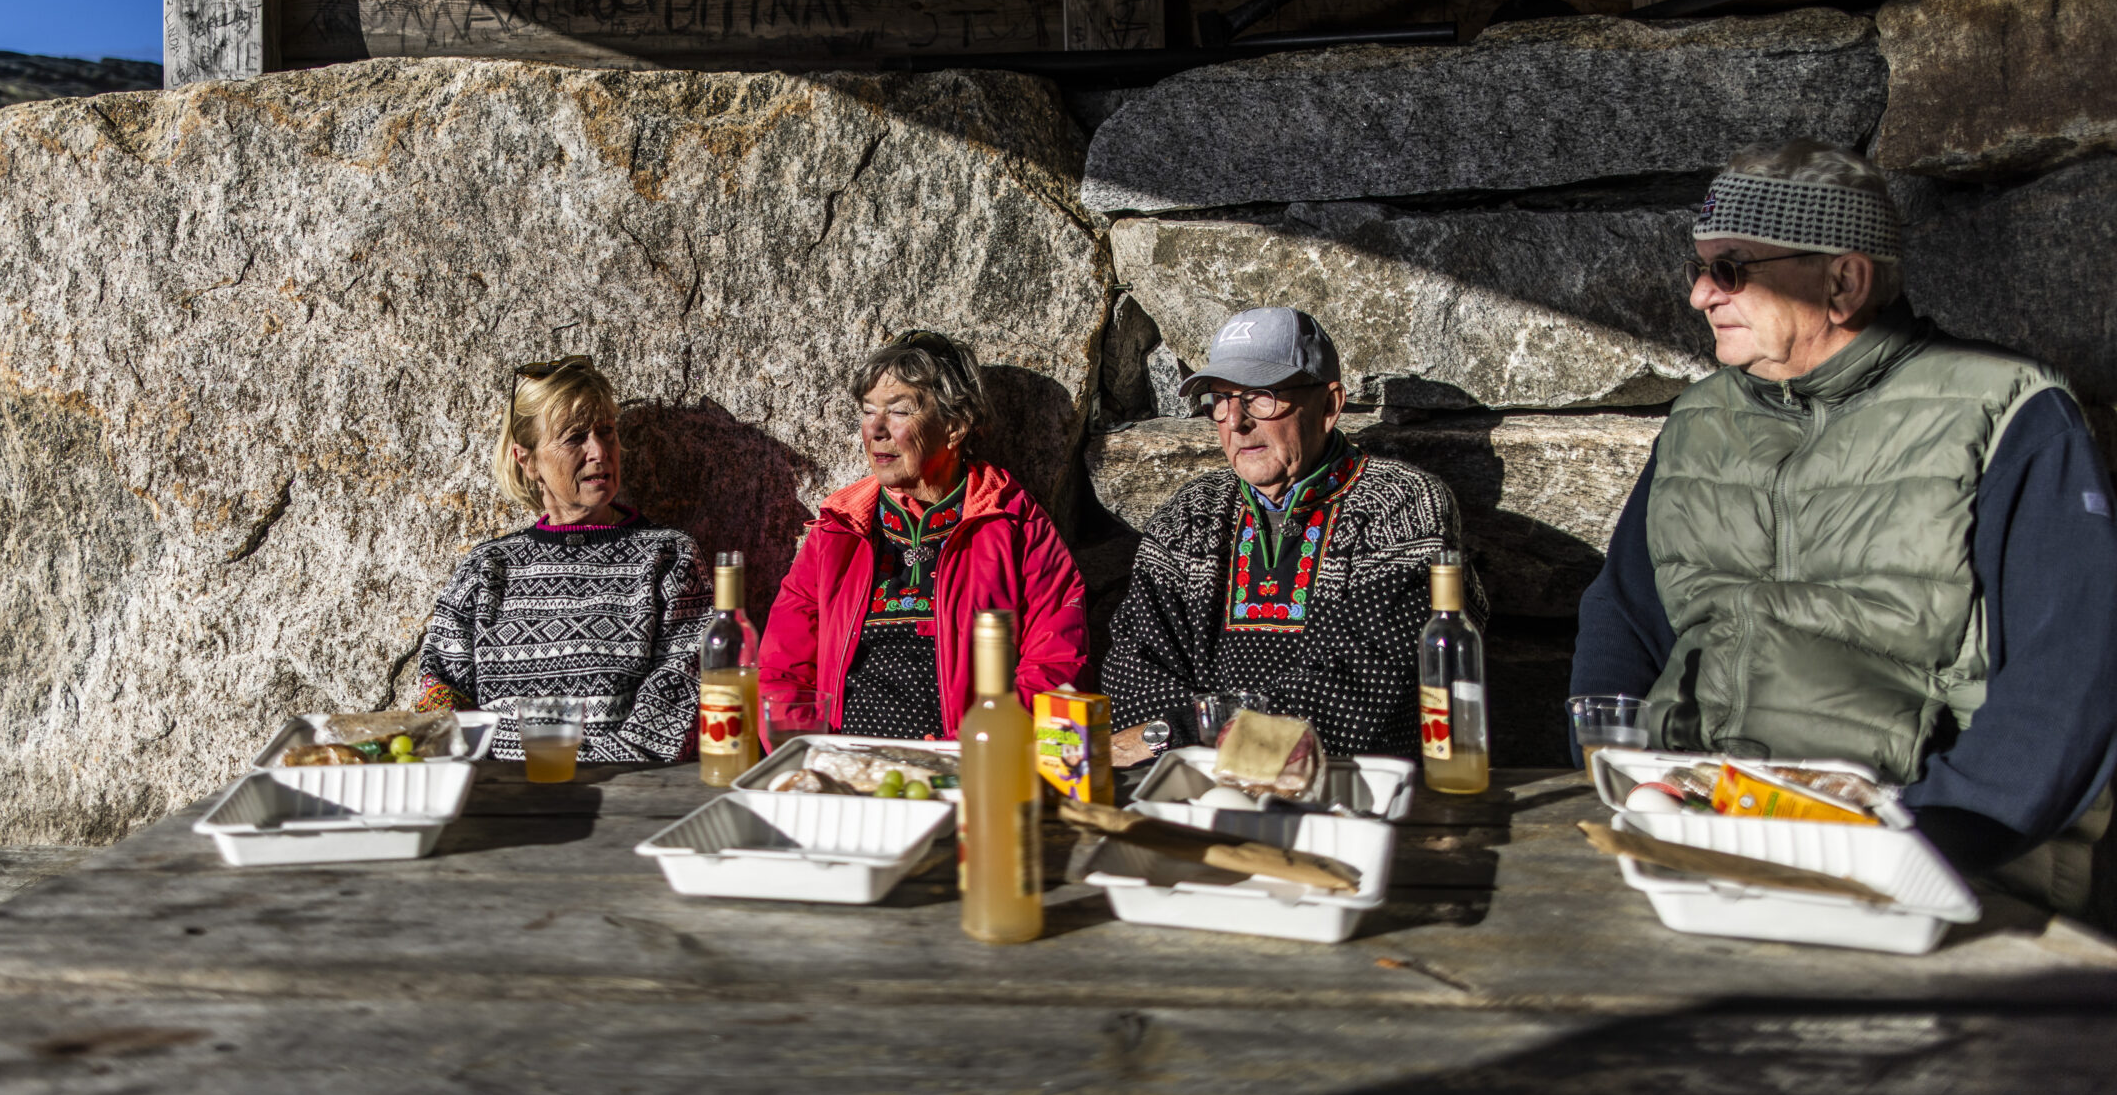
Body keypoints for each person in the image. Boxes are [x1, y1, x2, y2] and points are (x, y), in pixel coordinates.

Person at [1571, 139, 2117, 917]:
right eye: (1698, 267)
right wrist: (1622, 770)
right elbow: (1622, 612)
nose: (1699, 294)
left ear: (1843, 281)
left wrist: (1931, 838)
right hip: (1700, 824)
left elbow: (2074, 668)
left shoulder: (2009, 413)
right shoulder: (1699, 422)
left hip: (1922, 844)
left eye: (1730, 268)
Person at [1104, 306, 1472, 764]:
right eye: (1221, 398)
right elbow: (1130, 675)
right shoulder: (1191, 514)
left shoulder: (1400, 504)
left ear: (1329, 406)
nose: (1236, 421)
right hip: (1196, 792)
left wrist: (1180, 732)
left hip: (1348, 794)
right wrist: (1214, 742)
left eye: (1261, 396)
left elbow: (1364, 696)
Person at [760, 331, 1088, 737]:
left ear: (954, 426)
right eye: (867, 411)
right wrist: (807, 759)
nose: (876, 429)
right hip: (845, 772)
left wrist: (983, 753)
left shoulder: (1015, 525)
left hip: (968, 773)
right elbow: (781, 669)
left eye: (898, 412)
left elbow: (1057, 662)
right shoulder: (838, 530)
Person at [412, 355, 709, 762]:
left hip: (624, 798)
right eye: (574, 438)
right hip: (502, 800)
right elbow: (441, 690)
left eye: (606, 432)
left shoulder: (667, 558)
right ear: (527, 460)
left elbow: (682, 689)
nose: (600, 452)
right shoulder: (487, 570)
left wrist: (576, 774)